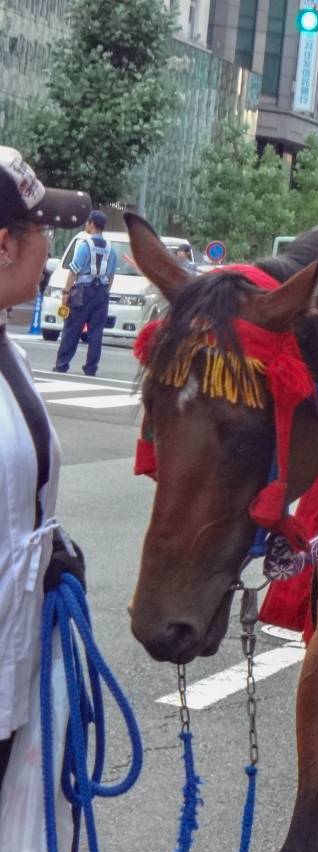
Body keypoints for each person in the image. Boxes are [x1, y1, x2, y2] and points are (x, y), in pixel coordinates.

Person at [0, 146, 90, 793]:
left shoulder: (10, 351)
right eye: (41, 231)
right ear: (7, 244)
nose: (49, 245)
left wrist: (47, 553)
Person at [53, 208, 117, 376]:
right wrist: (104, 291)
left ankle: (62, 364)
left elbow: (73, 271)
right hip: (102, 292)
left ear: (92, 224)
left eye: (87, 222)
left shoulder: (85, 245)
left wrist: (66, 292)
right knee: (96, 331)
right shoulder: (111, 249)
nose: (85, 225)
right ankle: (91, 368)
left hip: (83, 291)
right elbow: (111, 276)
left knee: (73, 328)